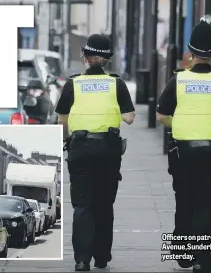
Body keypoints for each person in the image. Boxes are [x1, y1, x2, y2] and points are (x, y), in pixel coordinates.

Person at [156, 20, 211, 273]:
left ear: (190, 54)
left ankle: (184, 252)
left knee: (185, 200)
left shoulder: (178, 80)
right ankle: (202, 260)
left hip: (183, 152)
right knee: (207, 204)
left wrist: (181, 122)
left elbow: (161, 115)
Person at [56, 34, 135, 271]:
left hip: (80, 149)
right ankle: (102, 257)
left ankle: (82, 259)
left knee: (82, 205)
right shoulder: (116, 84)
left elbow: (62, 120)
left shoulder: (73, 84)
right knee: (104, 204)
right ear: (106, 60)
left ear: (87, 58)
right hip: (108, 150)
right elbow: (129, 118)